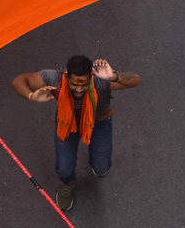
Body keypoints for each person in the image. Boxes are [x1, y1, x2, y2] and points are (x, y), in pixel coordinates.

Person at [11, 55, 141, 211]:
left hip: (98, 123)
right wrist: (31, 96)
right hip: (67, 125)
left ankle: (97, 164)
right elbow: (18, 81)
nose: (79, 89)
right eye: (74, 84)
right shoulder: (54, 78)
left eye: (84, 85)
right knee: (64, 170)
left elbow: (136, 80)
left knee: (102, 167)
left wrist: (114, 76)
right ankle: (68, 184)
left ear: (91, 77)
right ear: (66, 77)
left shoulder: (101, 79)